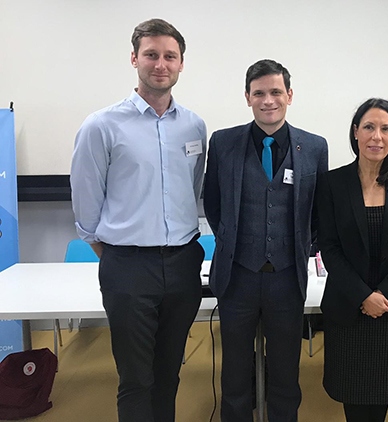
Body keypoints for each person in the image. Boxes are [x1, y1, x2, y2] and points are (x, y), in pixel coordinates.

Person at [70, 18, 206, 422]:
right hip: (128, 266)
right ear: (134, 59)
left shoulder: (194, 125)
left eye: (169, 56)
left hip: (183, 265)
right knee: (135, 379)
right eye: (151, 54)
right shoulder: (102, 126)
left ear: (182, 64)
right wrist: (117, 252)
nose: (160, 64)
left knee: (169, 374)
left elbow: (192, 189)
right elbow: (86, 205)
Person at [203, 59, 328, 422]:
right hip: (237, 277)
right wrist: (232, 243)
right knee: (235, 373)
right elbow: (213, 202)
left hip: (288, 280)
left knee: (287, 373)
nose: (268, 100)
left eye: (276, 92)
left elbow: (317, 209)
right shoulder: (223, 142)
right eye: (259, 93)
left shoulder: (314, 147)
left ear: (289, 95)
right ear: (247, 97)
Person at [317, 98, 388, 422]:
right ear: (355, 132)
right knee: (350, 391)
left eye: (385, 128)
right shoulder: (333, 183)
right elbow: (329, 247)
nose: (376, 136)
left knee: (382, 391)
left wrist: (385, 296)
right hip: (348, 308)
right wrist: (363, 296)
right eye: (368, 127)